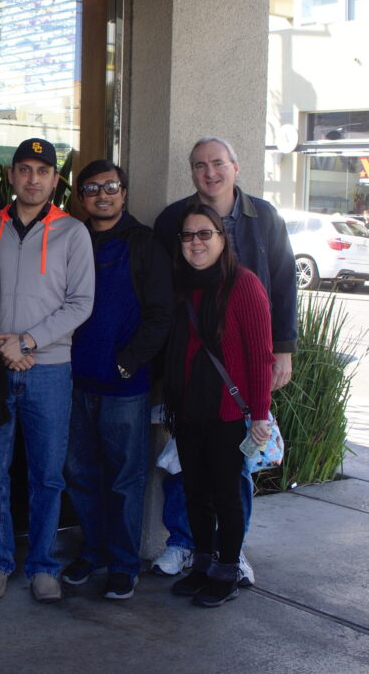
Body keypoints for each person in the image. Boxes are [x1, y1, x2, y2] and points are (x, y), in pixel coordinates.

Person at [152, 137, 297, 584]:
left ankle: (231, 556)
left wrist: (282, 352)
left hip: (234, 382)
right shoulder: (173, 219)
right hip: (189, 384)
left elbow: (285, 284)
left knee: (231, 476)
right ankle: (188, 546)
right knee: (187, 473)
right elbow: (159, 295)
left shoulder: (262, 220)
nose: (209, 172)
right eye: (200, 165)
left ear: (236, 167)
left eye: (218, 163)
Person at [0, 138, 94, 604]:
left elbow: (81, 303)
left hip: (49, 371)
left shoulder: (72, 233)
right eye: (24, 169)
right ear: (11, 176)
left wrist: (27, 342)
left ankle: (44, 564)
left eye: (41, 171)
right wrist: (2, 345)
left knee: (47, 474)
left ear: (54, 180)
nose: (32, 179)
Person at [62, 160, 172, 600]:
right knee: (80, 473)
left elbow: (161, 314)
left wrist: (130, 362)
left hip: (125, 387)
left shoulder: (145, 243)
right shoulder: (71, 239)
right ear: (80, 196)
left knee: (125, 480)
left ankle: (124, 563)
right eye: (92, 188)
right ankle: (95, 549)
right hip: (73, 383)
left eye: (111, 186)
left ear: (124, 193)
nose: (102, 195)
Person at [162, 204, 273, 607]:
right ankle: (203, 565)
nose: (196, 242)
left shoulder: (243, 284)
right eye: (188, 235)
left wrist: (260, 413)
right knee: (195, 492)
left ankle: (227, 570)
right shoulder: (182, 285)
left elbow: (261, 355)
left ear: (222, 238)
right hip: (189, 409)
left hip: (227, 412)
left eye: (204, 234)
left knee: (226, 495)